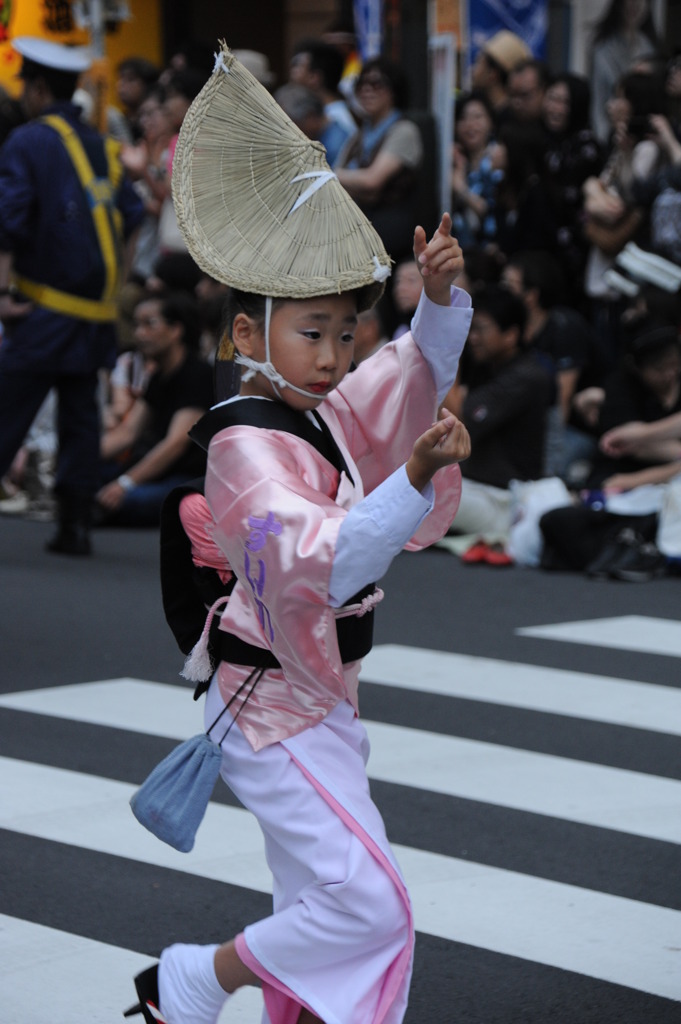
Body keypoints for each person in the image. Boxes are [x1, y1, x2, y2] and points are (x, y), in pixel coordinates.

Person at [123, 44, 473, 1024]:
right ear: (247, 337)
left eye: (342, 333)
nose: (333, 355)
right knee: (370, 904)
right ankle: (196, 976)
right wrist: (410, 477)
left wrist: (438, 298)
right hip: (269, 709)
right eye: (309, 332)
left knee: (324, 900)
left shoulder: (312, 405)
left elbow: (403, 373)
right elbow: (323, 558)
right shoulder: (246, 443)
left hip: (313, 695)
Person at [0, 36, 145, 556]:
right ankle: (75, 524)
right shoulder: (103, 144)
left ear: (39, 88)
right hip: (94, 313)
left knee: (8, 408)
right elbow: (133, 215)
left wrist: (0, 292)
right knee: (80, 414)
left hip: (43, 307)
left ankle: (70, 519)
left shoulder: (28, 141)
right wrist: (115, 283)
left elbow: (8, 222)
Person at [444, 283, 552, 561]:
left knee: (417, 490)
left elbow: (458, 417)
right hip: (476, 489)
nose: (472, 337)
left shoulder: (527, 377)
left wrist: (446, 350)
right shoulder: (489, 367)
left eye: (481, 328)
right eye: (471, 329)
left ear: (511, 334)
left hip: (506, 503)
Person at [97, 290, 213, 526]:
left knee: (125, 503)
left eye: (150, 324)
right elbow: (128, 432)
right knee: (81, 482)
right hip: (158, 472)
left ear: (175, 330)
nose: (140, 334)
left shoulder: (197, 374)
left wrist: (125, 483)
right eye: (137, 325)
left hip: (189, 478)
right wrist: (77, 461)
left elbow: (176, 443)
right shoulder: (158, 375)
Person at [336, 56, 423, 263]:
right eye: (361, 84)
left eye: (376, 84)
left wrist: (332, 174)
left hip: (390, 237)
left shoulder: (404, 130)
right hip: (358, 229)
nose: (367, 90)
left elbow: (371, 181)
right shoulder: (358, 135)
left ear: (394, 90)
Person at [589, 0, 661, 144]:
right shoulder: (603, 48)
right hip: (611, 134)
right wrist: (603, 141)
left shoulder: (649, 46)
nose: (634, 7)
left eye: (640, 3)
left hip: (644, 136)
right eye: (629, 4)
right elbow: (598, 100)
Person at [450, 90, 504, 251]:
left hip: (488, 252)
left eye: (477, 117)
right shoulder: (455, 160)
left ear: (491, 122)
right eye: (463, 118)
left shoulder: (498, 157)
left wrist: (461, 189)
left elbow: (492, 211)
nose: (470, 125)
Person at [470, 29, 532, 131]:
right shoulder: (486, 108)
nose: (472, 70)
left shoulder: (511, 123)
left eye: (478, 63)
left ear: (492, 74)